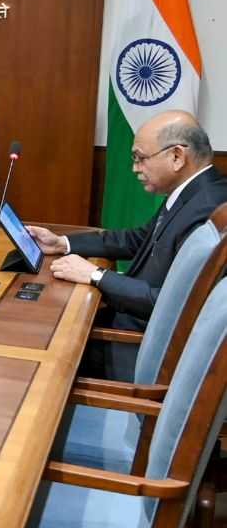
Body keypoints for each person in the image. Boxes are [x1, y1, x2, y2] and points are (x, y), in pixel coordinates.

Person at [27, 111, 227, 379]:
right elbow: (137, 239)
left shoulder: (208, 207)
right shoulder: (192, 193)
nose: (135, 168)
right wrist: (63, 243)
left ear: (177, 156)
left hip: (141, 349)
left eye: (140, 158)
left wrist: (95, 275)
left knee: (38, 342)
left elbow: (173, 304)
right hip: (132, 326)